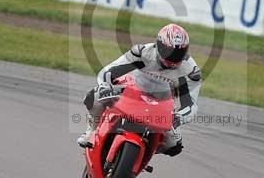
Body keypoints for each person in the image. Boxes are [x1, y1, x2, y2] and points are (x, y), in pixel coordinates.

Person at [77, 23, 201, 156]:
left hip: (161, 104)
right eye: (168, 51)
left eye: (178, 53)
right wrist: (105, 86)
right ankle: (92, 131)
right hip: (131, 90)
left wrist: (179, 116)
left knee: (173, 146)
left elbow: (190, 104)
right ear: (159, 45)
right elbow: (108, 71)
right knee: (94, 96)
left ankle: (144, 154)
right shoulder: (142, 52)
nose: (172, 58)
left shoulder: (191, 71)